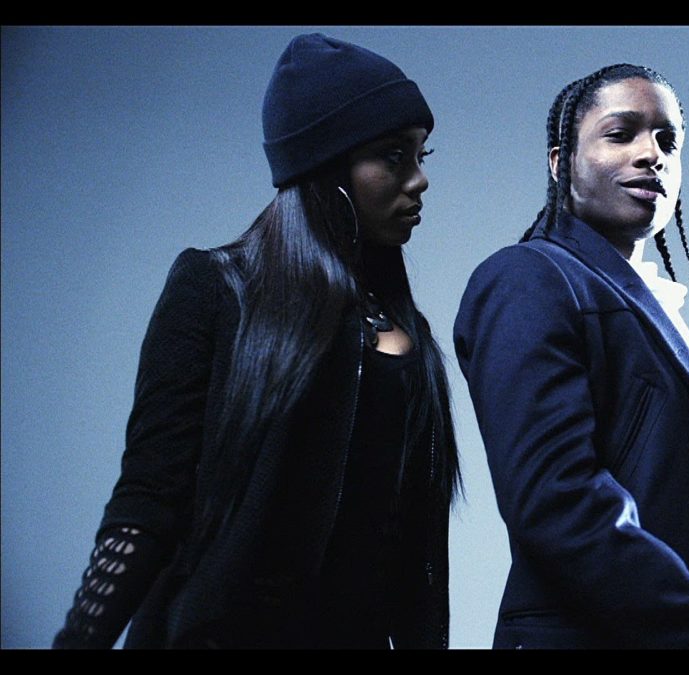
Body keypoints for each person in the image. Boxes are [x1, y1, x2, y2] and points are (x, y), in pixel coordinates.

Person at [52, 33, 461, 649]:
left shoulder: (411, 332)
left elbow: (419, 559)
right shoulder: (216, 288)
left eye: (421, 154)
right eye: (394, 156)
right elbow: (149, 500)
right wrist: (80, 640)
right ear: (326, 166)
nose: (420, 179)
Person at [453, 63, 689, 649]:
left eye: (667, 141)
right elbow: (559, 508)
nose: (652, 154)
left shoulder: (651, 303)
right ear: (560, 163)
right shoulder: (528, 279)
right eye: (620, 133)